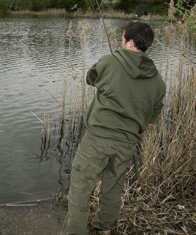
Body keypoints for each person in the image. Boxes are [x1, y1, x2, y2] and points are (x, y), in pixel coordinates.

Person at [60, 22, 166, 235]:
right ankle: (105, 227)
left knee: (80, 188)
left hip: (98, 139)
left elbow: (91, 78)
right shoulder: (157, 79)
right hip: (127, 143)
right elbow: (153, 115)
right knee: (113, 187)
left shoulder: (110, 62)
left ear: (131, 42)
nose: (120, 40)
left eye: (123, 37)